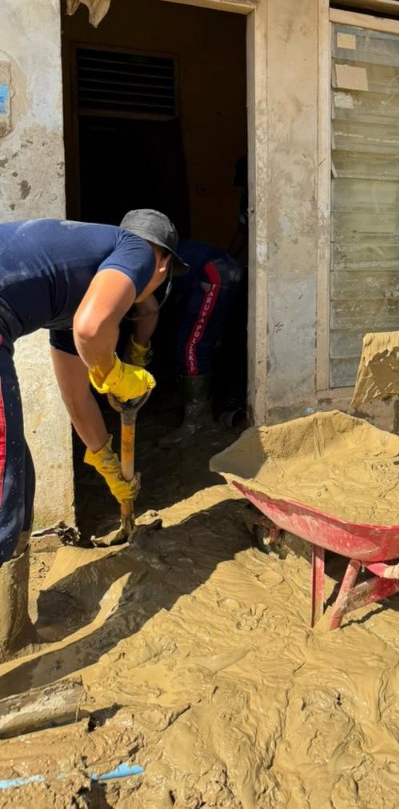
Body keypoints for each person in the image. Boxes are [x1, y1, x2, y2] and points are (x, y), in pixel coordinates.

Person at [0, 209, 187, 659]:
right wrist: (114, 373)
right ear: (162, 263)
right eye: (157, 284)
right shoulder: (138, 248)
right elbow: (92, 332)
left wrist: (106, 462)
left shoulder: (77, 293)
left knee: (18, 472)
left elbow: (76, 398)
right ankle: (7, 645)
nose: (148, 295)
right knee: (5, 484)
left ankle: (15, 626)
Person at [128, 239, 243, 448]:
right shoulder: (131, 254)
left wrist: (136, 353)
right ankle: (186, 399)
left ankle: (198, 423)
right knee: (185, 336)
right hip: (209, 274)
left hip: (215, 273)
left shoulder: (128, 264)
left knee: (192, 346)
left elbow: (148, 310)